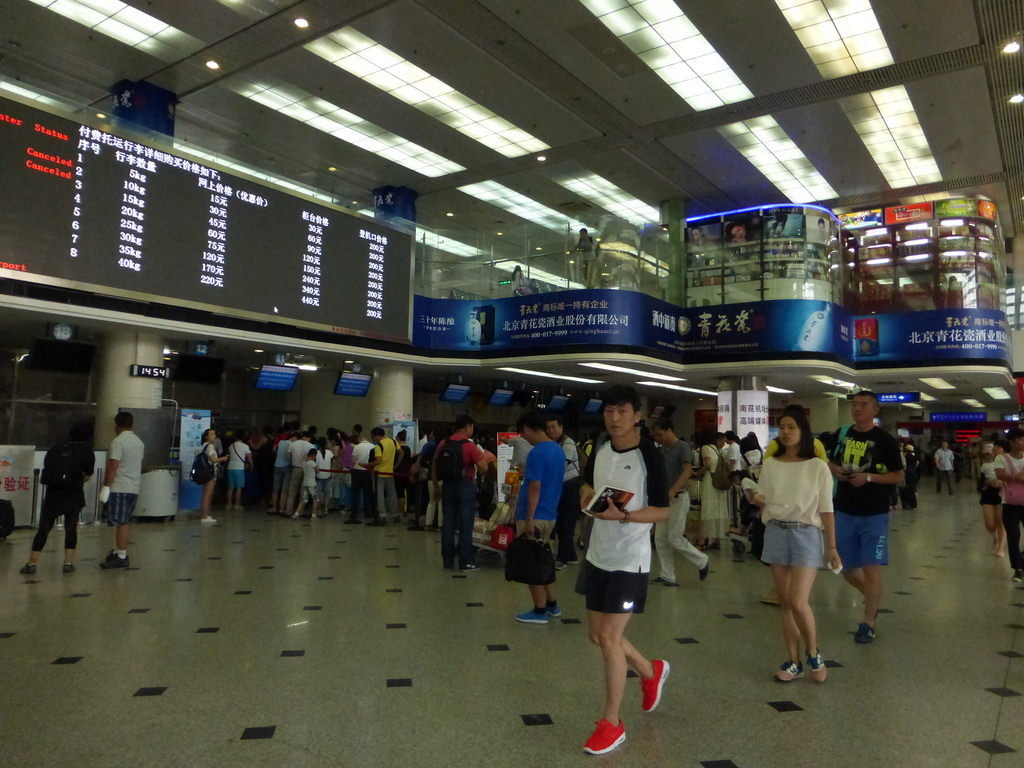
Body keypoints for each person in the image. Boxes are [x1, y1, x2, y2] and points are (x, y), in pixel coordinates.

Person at [578, 385, 670, 756]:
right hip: (598, 554)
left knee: (610, 638)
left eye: (622, 411)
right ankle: (650, 671)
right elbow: (588, 482)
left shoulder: (650, 455)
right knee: (597, 635)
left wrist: (626, 516)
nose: (614, 418)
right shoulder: (600, 446)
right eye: (609, 411)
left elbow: (662, 510)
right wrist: (587, 494)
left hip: (630, 559)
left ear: (637, 416)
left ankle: (612, 723)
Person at [752, 405, 840, 683]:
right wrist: (757, 498)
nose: (786, 432)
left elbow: (826, 509)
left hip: (806, 534)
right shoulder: (771, 464)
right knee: (785, 602)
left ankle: (813, 652)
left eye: (792, 427)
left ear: (803, 431)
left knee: (798, 600)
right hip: (776, 532)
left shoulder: (817, 467)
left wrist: (832, 546)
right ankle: (793, 661)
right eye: (782, 427)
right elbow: (762, 494)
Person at [828, 391, 903, 643]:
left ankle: (868, 622)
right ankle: (873, 597)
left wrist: (868, 477)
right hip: (844, 510)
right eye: (854, 404)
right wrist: (835, 469)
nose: (857, 409)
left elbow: (898, 475)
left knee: (871, 567)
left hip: (874, 513)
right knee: (844, 568)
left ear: (875, 410)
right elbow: (829, 462)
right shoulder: (842, 434)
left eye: (863, 405)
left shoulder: (886, 440)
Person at [20, 421, 95, 575]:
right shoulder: (87, 451)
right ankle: (68, 562)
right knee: (71, 527)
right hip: (73, 493)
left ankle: (32, 562)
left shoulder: (56, 448)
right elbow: (88, 474)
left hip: (53, 493)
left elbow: (48, 468)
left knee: (44, 528)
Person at [513, 410, 566, 624]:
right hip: (550, 513)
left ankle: (539, 610)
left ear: (527, 429)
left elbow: (535, 487)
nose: (524, 438)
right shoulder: (558, 450)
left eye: (523, 433)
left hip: (535, 515)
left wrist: (529, 519)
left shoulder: (537, 453)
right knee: (544, 561)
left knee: (531, 564)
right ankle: (552, 605)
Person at [649, 418, 709, 585]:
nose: (658, 438)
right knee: (660, 538)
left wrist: (673, 490)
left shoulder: (682, 447)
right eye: (655, 436)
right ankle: (667, 574)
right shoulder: (662, 450)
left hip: (679, 498)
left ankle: (702, 560)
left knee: (674, 537)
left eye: (659, 434)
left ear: (669, 430)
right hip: (664, 500)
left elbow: (687, 472)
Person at [433, 414, 495, 572]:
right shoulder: (469, 445)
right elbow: (483, 468)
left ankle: (447, 561)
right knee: (466, 525)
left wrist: (436, 488)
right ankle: (465, 561)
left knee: (448, 524)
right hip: (465, 487)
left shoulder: (443, 443)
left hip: (447, 486)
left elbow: (434, 466)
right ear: (468, 427)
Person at [98, 412, 145, 569]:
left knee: (121, 522)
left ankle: (122, 556)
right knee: (125, 520)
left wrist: (106, 486)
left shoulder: (118, 442)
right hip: (134, 487)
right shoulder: (139, 442)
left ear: (116, 425)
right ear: (132, 424)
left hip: (120, 487)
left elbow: (113, 465)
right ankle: (118, 550)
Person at [546, 414, 581, 569]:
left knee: (566, 522)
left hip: (570, 487)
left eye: (554, 427)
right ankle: (571, 555)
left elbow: (561, 465)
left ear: (561, 427)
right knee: (562, 522)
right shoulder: (553, 443)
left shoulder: (568, 443)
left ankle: (562, 558)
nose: (550, 430)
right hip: (561, 486)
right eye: (548, 428)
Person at [994, 429, 1024, 582]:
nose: (1023, 443)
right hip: (1010, 504)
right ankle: (1018, 569)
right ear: (1012, 442)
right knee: (1013, 536)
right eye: (1021, 440)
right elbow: (999, 474)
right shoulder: (1002, 458)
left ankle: (1021, 559)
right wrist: (1016, 477)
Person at [696, 432, 729, 549]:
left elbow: (707, 464)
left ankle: (701, 542)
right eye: (723, 441)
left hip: (710, 481)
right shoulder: (720, 452)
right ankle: (717, 540)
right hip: (720, 482)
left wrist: (697, 473)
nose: (724, 443)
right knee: (719, 510)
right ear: (717, 440)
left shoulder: (706, 448)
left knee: (708, 509)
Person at [366, 426, 400, 526]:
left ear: (376, 436)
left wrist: (367, 465)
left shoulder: (378, 446)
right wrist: (396, 465)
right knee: (392, 494)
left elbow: (378, 461)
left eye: (372, 437)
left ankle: (382, 516)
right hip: (390, 472)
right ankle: (395, 515)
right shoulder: (393, 442)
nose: (372, 439)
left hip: (379, 473)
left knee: (379, 495)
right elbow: (401, 453)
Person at [979, 444, 1006, 557]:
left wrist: (1002, 482)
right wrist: (988, 482)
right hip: (988, 494)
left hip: (1003, 494)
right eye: (994, 451)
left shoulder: (1008, 464)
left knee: (1001, 522)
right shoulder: (985, 466)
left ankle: (1001, 547)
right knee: (989, 524)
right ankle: (995, 536)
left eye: (999, 452)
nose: (996, 454)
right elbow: (980, 484)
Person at [284, 431, 315, 516]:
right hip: (306, 469)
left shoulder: (293, 444)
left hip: (296, 469)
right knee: (303, 492)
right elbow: (313, 459)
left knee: (292, 491)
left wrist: (293, 460)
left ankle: (288, 511)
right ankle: (300, 512)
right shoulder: (311, 446)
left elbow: (288, 456)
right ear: (308, 438)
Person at [347, 431, 375, 523]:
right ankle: (367, 511)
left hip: (357, 471)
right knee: (367, 493)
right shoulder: (373, 446)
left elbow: (353, 460)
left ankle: (354, 512)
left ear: (360, 439)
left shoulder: (357, 447)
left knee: (355, 493)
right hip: (368, 472)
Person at [269, 430, 295, 515]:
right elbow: (290, 456)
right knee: (284, 489)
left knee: (275, 488)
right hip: (286, 467)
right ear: (293, 438)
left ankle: (274, 507)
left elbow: (274, 450)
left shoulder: (280, 442)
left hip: (277, 466)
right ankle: (282, 509)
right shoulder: (292, 445)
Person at [226, 433, 251, 512]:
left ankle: (229, 504)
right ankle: (237, 505)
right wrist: (251, 465)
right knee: (239, 488)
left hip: (230, 467)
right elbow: (250, 458)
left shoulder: (231, 446)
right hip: (239, 468)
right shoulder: (245, 446)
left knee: (231, 487)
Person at [294, 448, 321, 519]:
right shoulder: (312, 463)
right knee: (315, 499)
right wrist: (317, 468)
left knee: (304, 499)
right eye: (315, 456)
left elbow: (304, 472)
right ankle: (313, 515)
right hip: (312, 483)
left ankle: (296, 514)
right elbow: (318, 471)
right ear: (314, 455)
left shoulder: (304, 462)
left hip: (305, 483)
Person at [314, 437, 334, 513]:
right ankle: (326, 508)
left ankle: (319, 508)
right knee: (327, 492)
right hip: (328, 475)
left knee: (318, 493)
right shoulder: (329, 452)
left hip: (318, 475)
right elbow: (332, 462)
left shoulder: (316, 453)